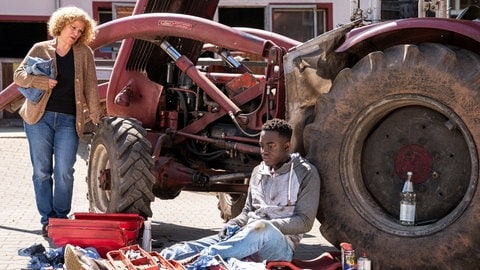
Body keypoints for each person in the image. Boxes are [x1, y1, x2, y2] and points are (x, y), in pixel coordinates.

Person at [160, 118, 321, 268]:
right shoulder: (258, 171)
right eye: (261, 145)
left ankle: (204, 260)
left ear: (286, 146)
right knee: (178, 251)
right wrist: (235, 223)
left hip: (279, 246)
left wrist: (266, 225)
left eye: (271, 146)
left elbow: (305, 221)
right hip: (245, 236)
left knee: (261, 228)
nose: (264, 151)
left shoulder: (305, 173)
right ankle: (165, 260)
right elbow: (247, 212)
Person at [14, 6, 102, 237]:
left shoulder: (84, 53)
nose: (76, 33)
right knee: (42, 171)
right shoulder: (41, 49)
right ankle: (47, 219)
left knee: (65, 170)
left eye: (80, 30)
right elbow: (19, 76)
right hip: (38, 118)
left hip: (69, 120)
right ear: (61, 25)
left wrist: (97, 118)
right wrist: (41, 82)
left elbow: (91, 88)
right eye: (73, 28)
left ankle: (61, 218)